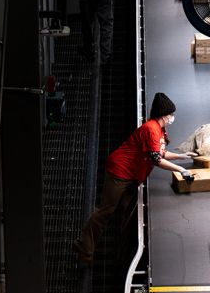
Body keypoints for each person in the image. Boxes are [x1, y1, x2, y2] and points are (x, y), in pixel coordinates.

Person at [75, 92, 196, 265]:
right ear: (163, 114)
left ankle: (120, 256)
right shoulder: (151, 129)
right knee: (106, 211)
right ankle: (84, 250)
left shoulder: (160, 130)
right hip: (120, 172)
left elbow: (161, 152)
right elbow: (156, 159)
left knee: (125, 213)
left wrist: (183, 156)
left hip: (132, 178)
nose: (172, 117)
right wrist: (181, 170)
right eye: (170, 114)